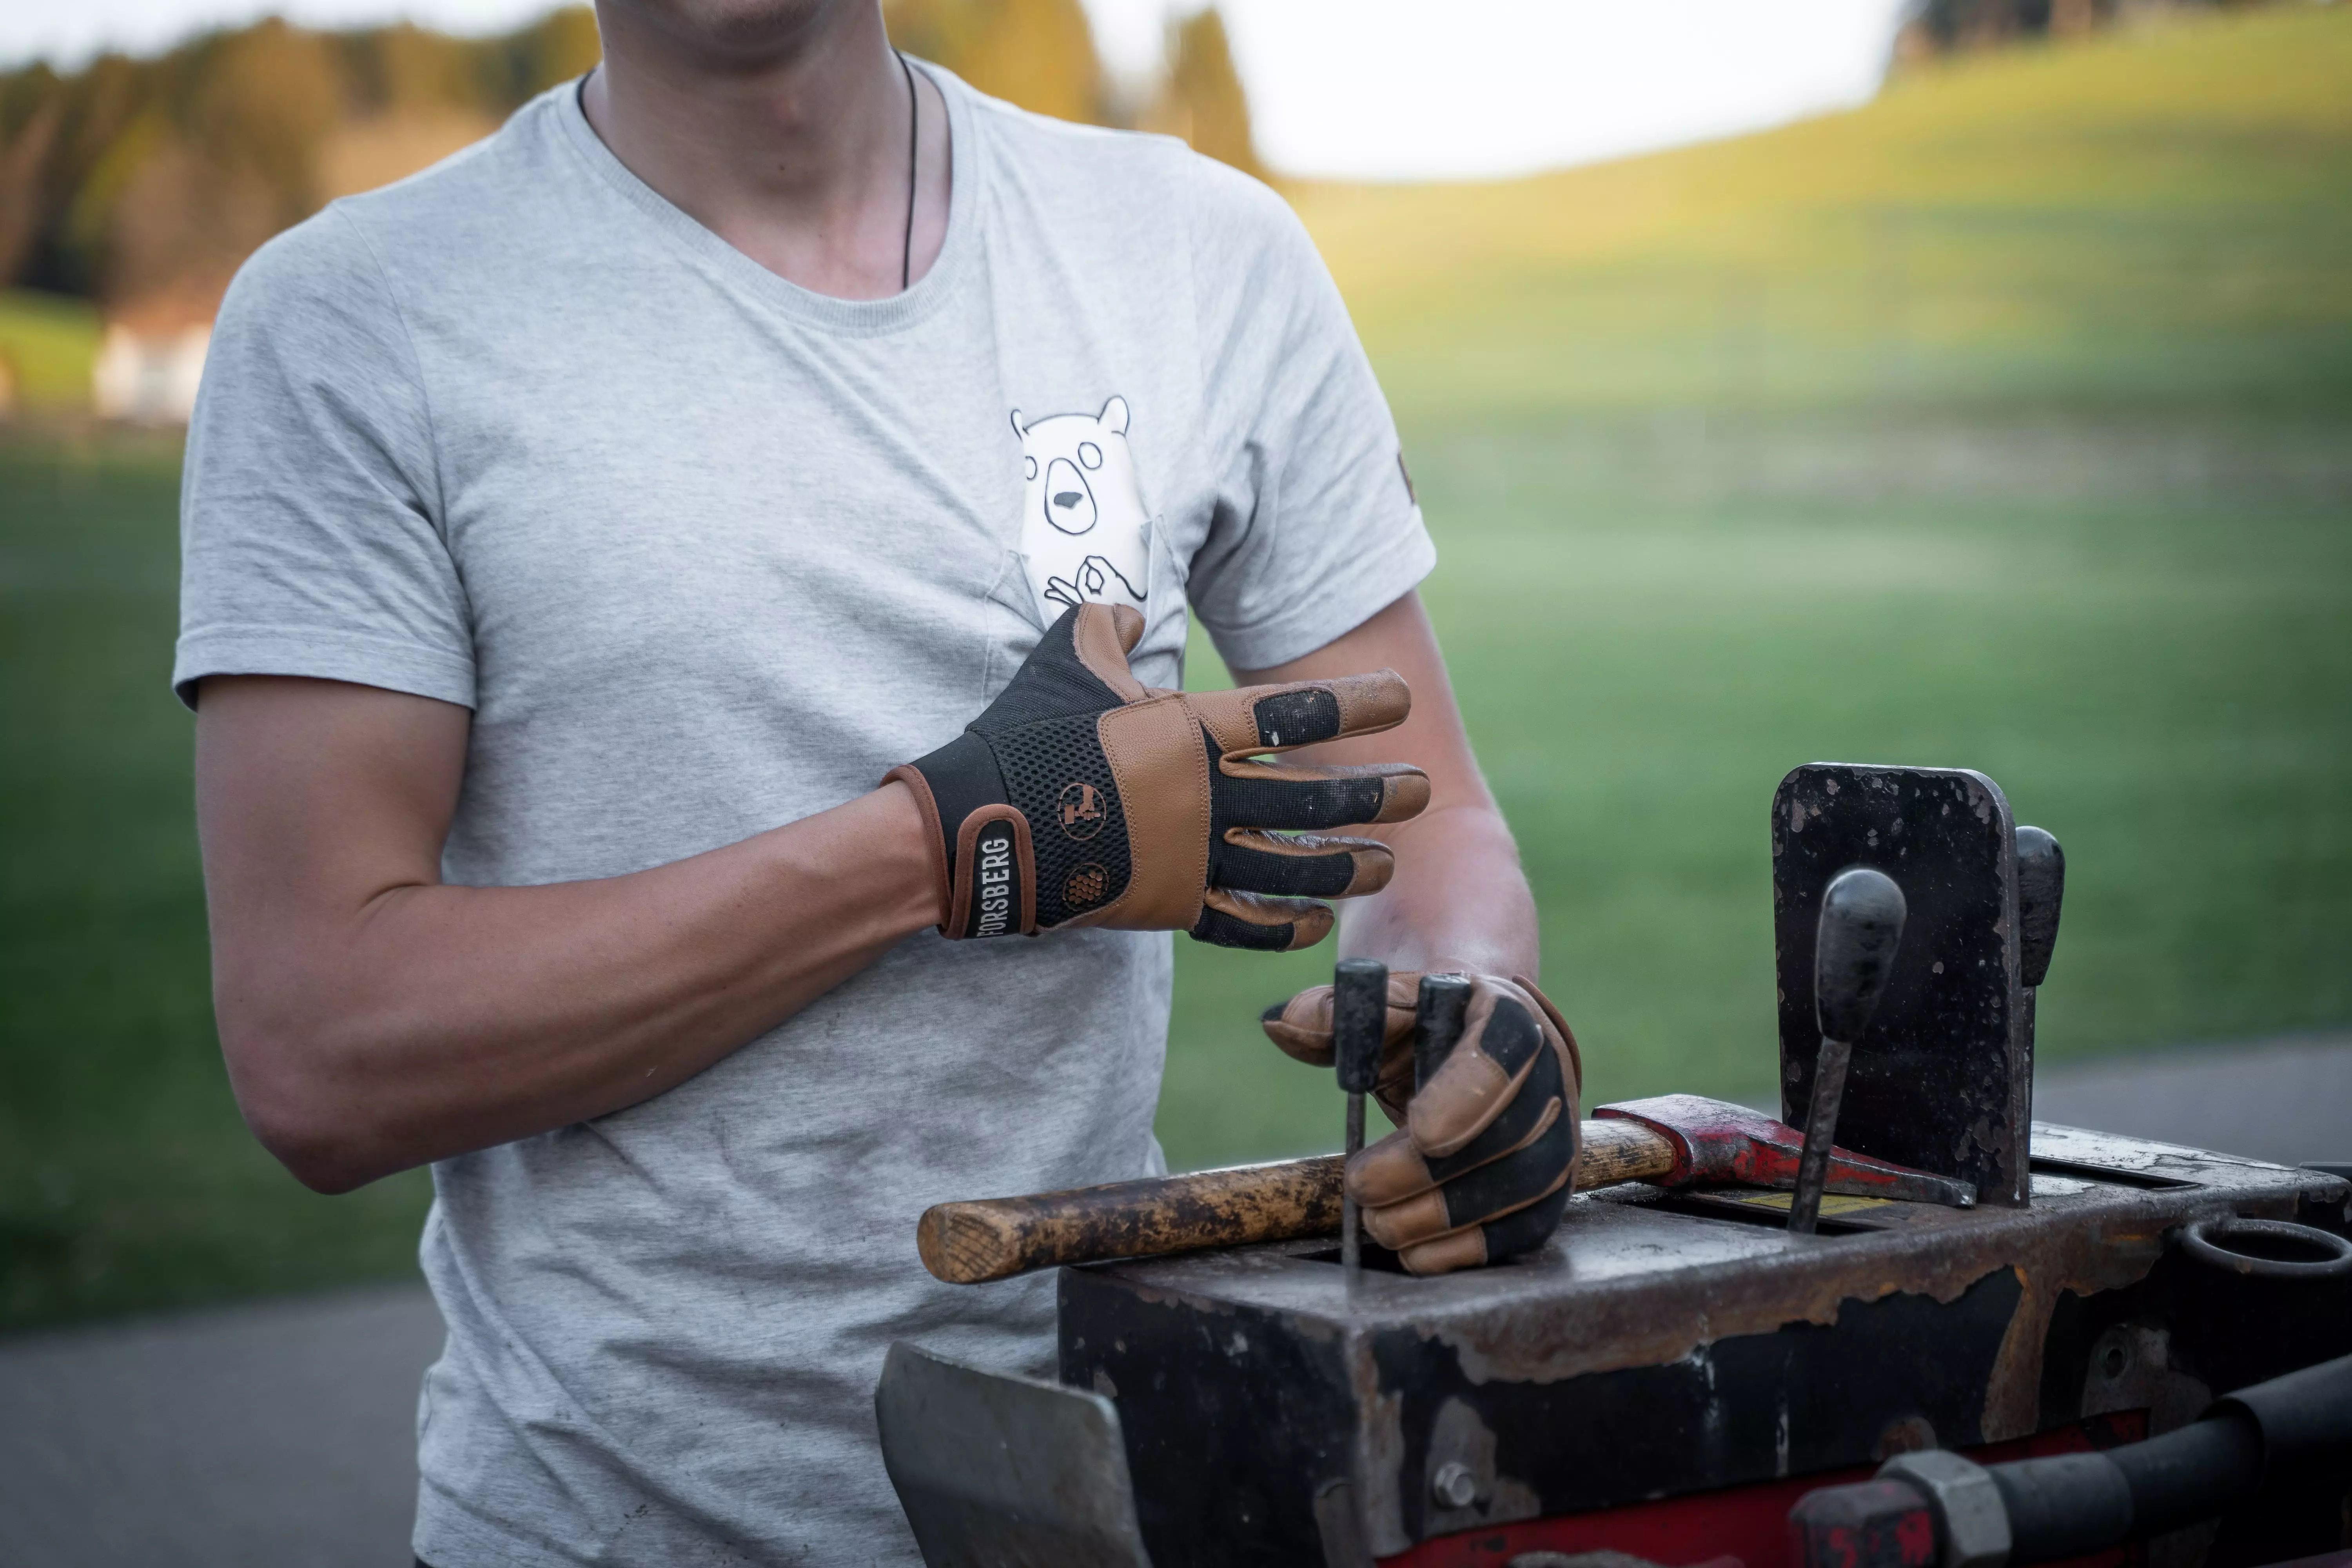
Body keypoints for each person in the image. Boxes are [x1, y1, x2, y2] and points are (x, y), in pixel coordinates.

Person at [176, 0, 1577, 1560]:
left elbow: (1431, 812)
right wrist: (956, 840)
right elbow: (320, 1050)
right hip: (594, 1526)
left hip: (1096, 1504)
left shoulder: (1196, 254)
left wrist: (1471, 1014)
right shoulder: (356, 318)